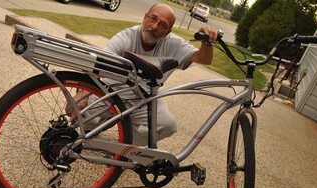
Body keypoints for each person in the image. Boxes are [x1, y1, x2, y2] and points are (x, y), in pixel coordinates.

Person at [66, 3, 217, 146]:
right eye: (153, 19)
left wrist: (207, 42)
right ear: (145, 17)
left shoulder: (173, 43)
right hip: (111, 92)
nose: (155, 27)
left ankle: (123, 148)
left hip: (144, 100)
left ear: (168, 31)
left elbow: (203, 59)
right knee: (78, 112)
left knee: (167, 125)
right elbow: (97, 66)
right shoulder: (125, 38)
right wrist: (82, 92)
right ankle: (91, 127)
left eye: (163, 25)